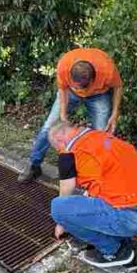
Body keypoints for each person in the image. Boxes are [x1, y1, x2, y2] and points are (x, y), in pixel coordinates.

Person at [48, 121, 137, 269]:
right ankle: (124, 244)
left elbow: (66, 191)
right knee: (91, 198)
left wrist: (62, 222)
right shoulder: (101, 137)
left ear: (60, 140)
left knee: (58, 208)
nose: (60, 152)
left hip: (131, 216)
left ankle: (113, 251)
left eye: (57, 149)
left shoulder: (69, 153)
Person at [17, 47, 123, 183]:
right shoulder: (64, 66)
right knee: (49, 126)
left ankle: (101, 173)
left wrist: (114, 114)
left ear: (93, 79)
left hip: (98, 95)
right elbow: (62, 89)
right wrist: (62, 115)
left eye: (82, 87)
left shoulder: (107, 68)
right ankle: (34, 165)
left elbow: (118, 87)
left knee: (103, 133)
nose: (81, 90)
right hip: (69, 93)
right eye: (76, 85)